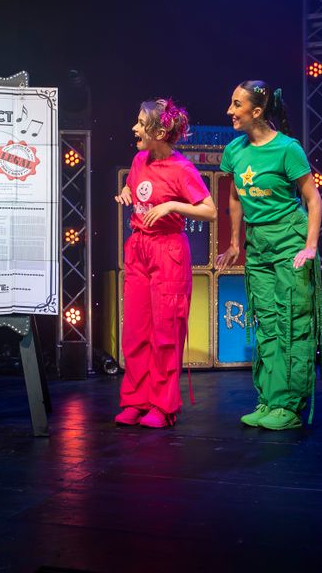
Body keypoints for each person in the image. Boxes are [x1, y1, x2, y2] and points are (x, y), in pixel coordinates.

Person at [214, 81, 322, 431]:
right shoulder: (234, 150)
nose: (230, 111)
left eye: (236, 105)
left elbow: (313, 198)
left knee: (292, 320)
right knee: (267, 322)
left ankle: (289, 406)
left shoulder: (287, 149)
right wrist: (235, 243)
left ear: (256, 112)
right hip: (258, 244)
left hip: (289, 238)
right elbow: (234, 198)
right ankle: (269, 400)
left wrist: (310, 245)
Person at [114, 98, 215, 428]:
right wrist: (126, 194)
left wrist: (173, 205)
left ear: (159, 131)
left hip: (167, 252)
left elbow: (209, 210)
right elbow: (137, 189)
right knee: (135, 331)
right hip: (139, 249)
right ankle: (135, 400)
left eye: (141, 123)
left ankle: (162, 405)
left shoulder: (182, 169)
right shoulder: (140, 159)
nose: (135, 128)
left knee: (165, 331)